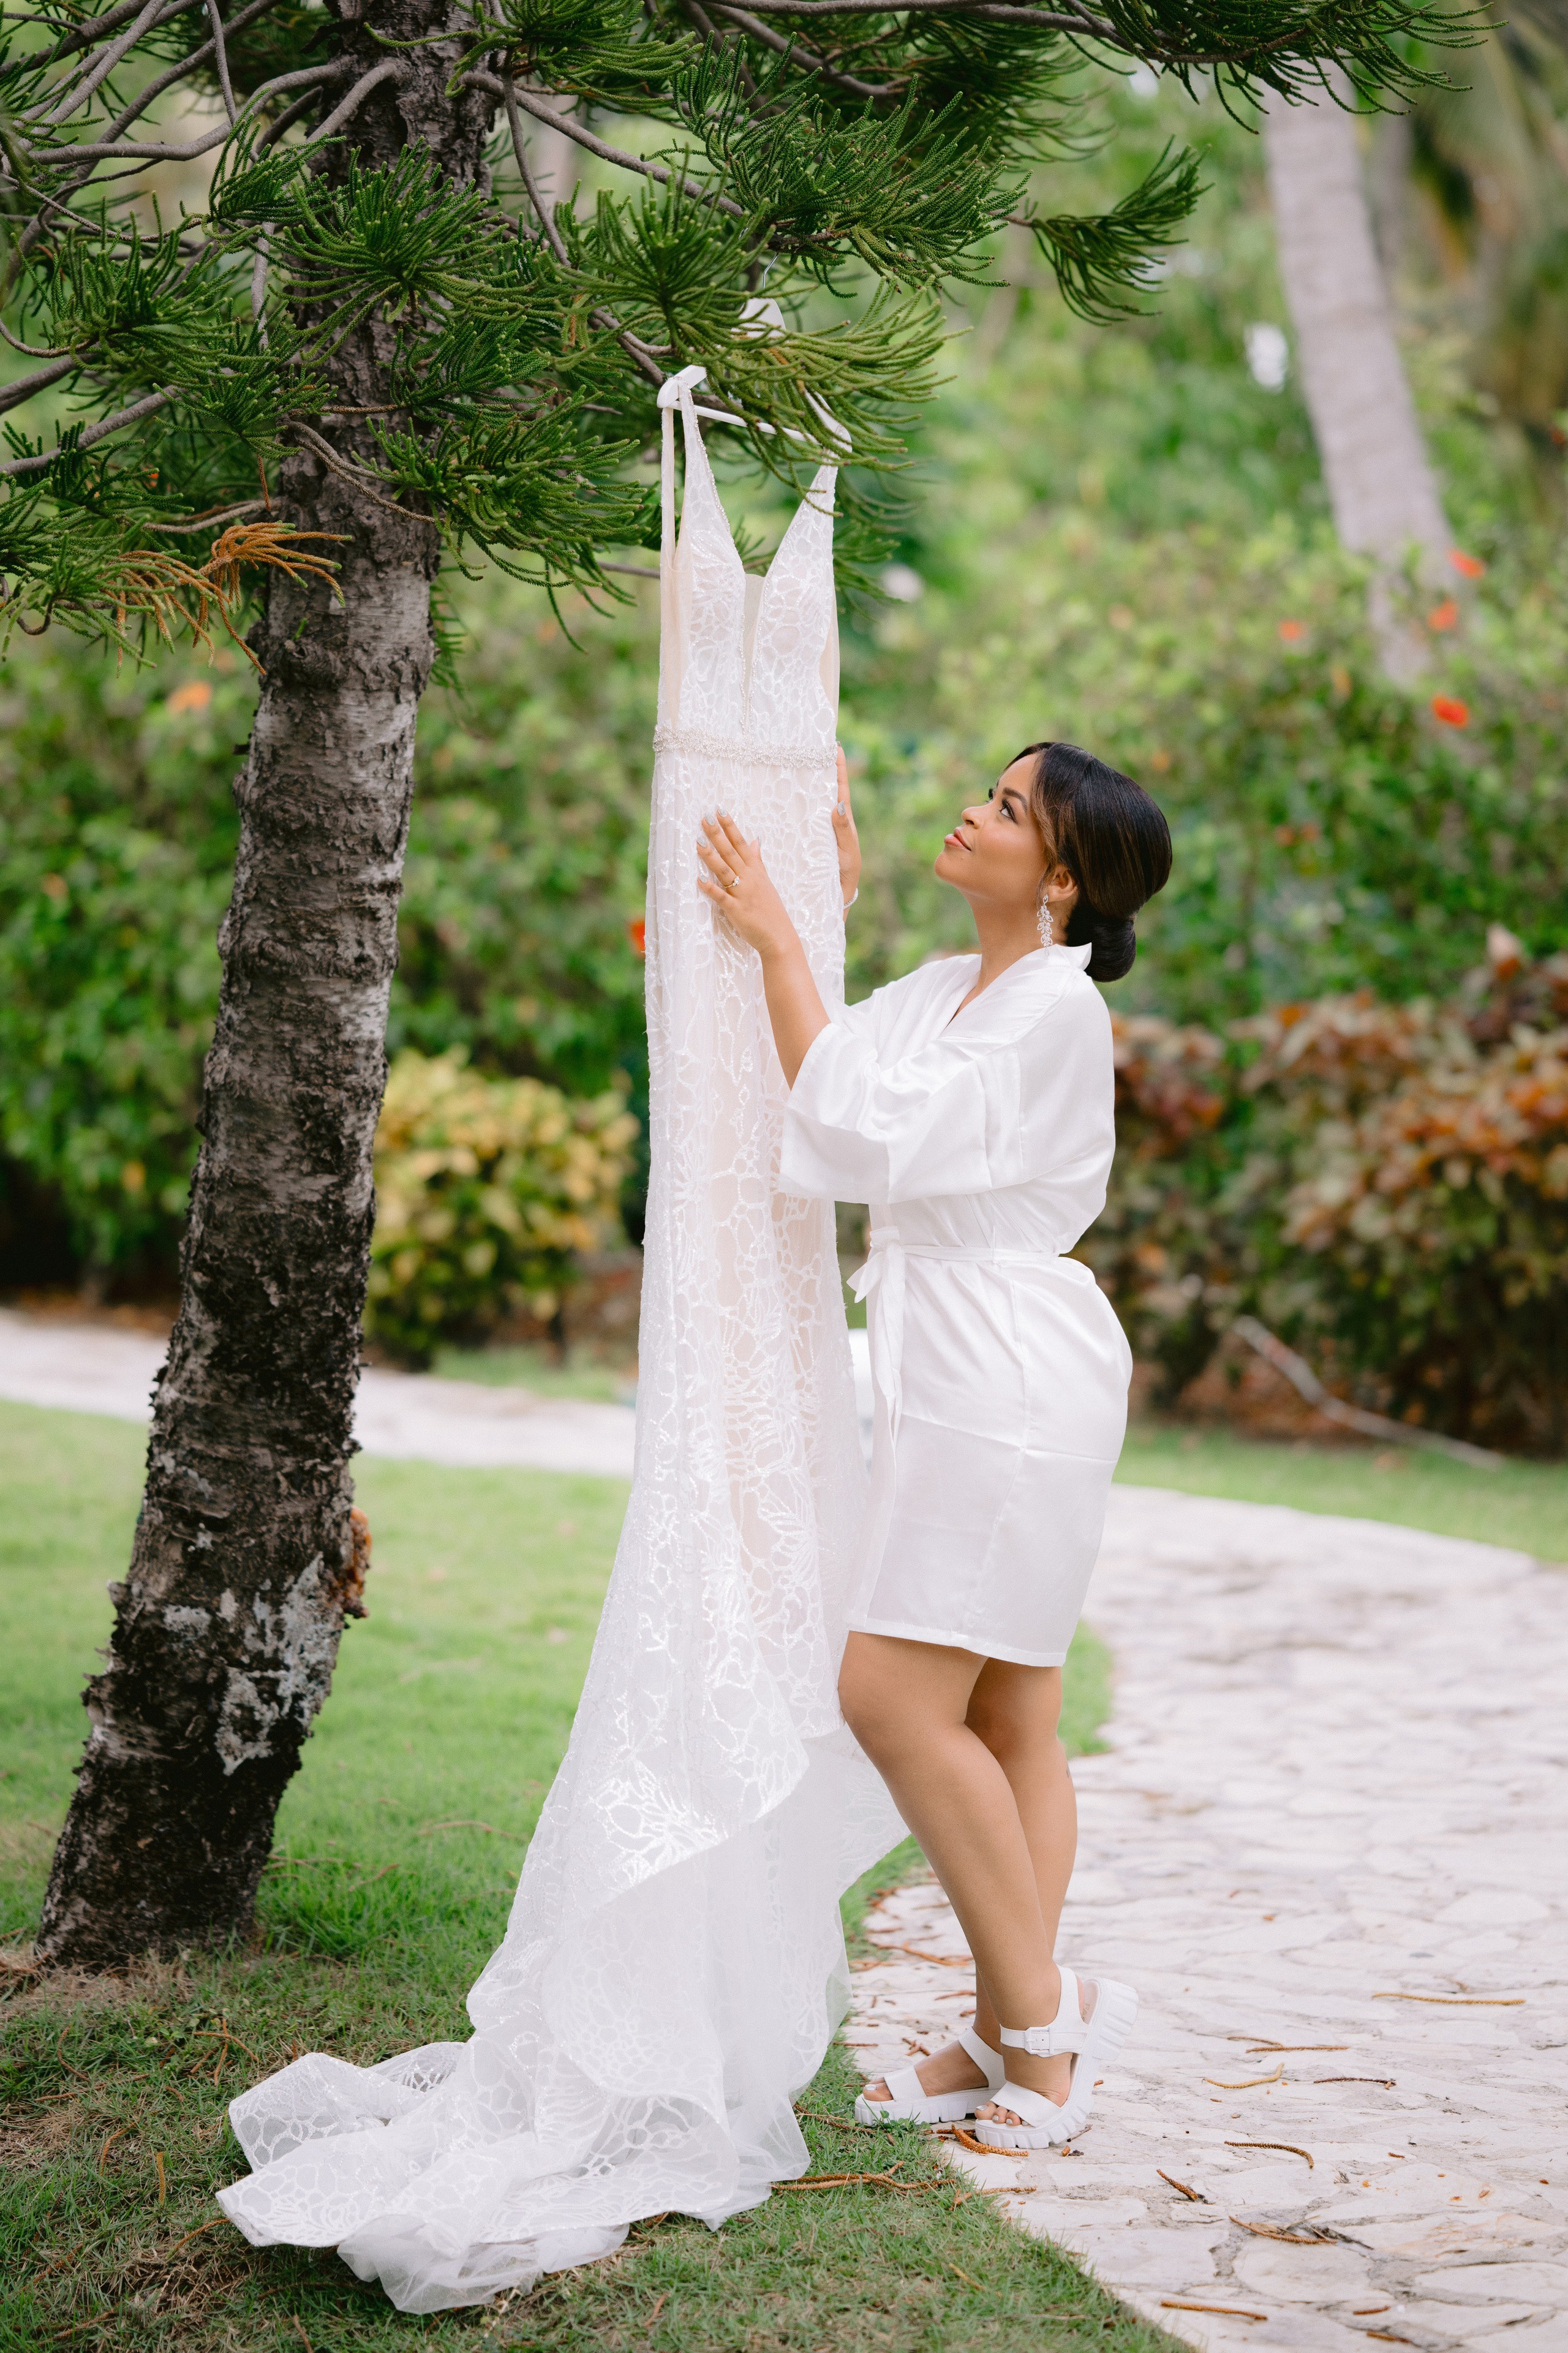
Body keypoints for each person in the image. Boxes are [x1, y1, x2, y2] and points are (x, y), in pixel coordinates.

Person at [695, 737, 1172, 2150]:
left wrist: (776, 933)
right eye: (992, 787)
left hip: (1000, 1374)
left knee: (893, 1696)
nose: (974, 808)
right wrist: (819, 913)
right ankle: (1000, 2025)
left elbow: (853, 1129)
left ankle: (1040, 2029)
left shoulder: (1047, 1013)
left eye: (1009, 807)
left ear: (1064, 879)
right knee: (1010, 1712)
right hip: (979, 1359)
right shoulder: (966, 990)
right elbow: (845, 1063)